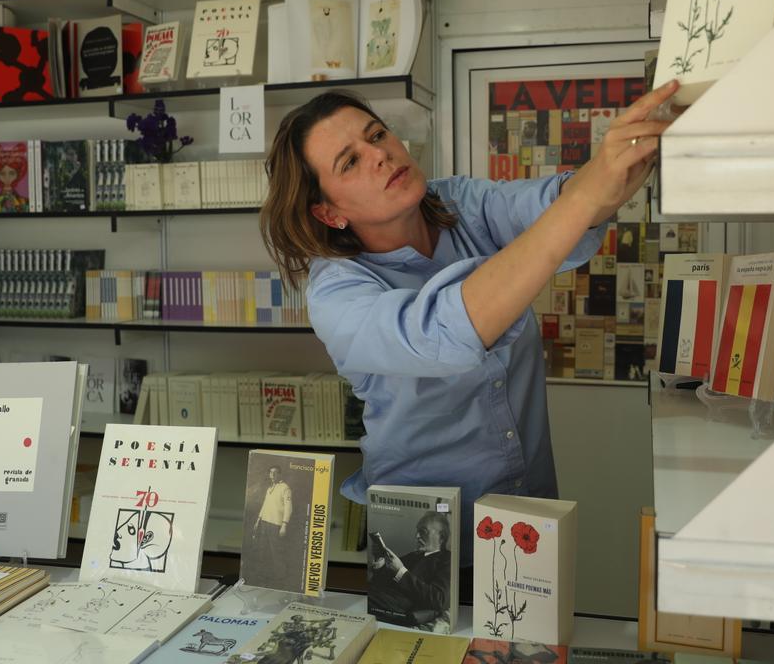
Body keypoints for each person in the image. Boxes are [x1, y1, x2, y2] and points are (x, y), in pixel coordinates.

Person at [260, 83, 678, 568]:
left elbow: (557, 204)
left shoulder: (460, 203)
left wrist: (640, 145)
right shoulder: (337, 295)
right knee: (423, 645)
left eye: (377, 135)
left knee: (533, 640)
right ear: (328, 212)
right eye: (349, 162)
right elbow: (448, 329)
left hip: (525, 514)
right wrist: (586, 196)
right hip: (420, 541)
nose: (379, 154)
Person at [368, 511, 452, 631]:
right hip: (384, 598)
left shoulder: (447, 559)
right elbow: (380, 582)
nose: (417, 536)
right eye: (417, 531)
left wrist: (400, 572)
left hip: (404, 607)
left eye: (423, 531)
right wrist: (380, 563)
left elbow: (439, 599)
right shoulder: (413, 556)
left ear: (441, 537)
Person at [247, 465, 292, 587]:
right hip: (264, 523)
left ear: (280, 474)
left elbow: (288, 508)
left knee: (276, 551)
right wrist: (258, 520)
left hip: (276, 524)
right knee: (263, 549)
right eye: (271, 473)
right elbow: (265, 505)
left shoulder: (285, 488)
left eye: (275, 473)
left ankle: (281, 577)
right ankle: (262, 575)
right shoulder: (269, 488)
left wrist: (284, 524)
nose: (272, 475)